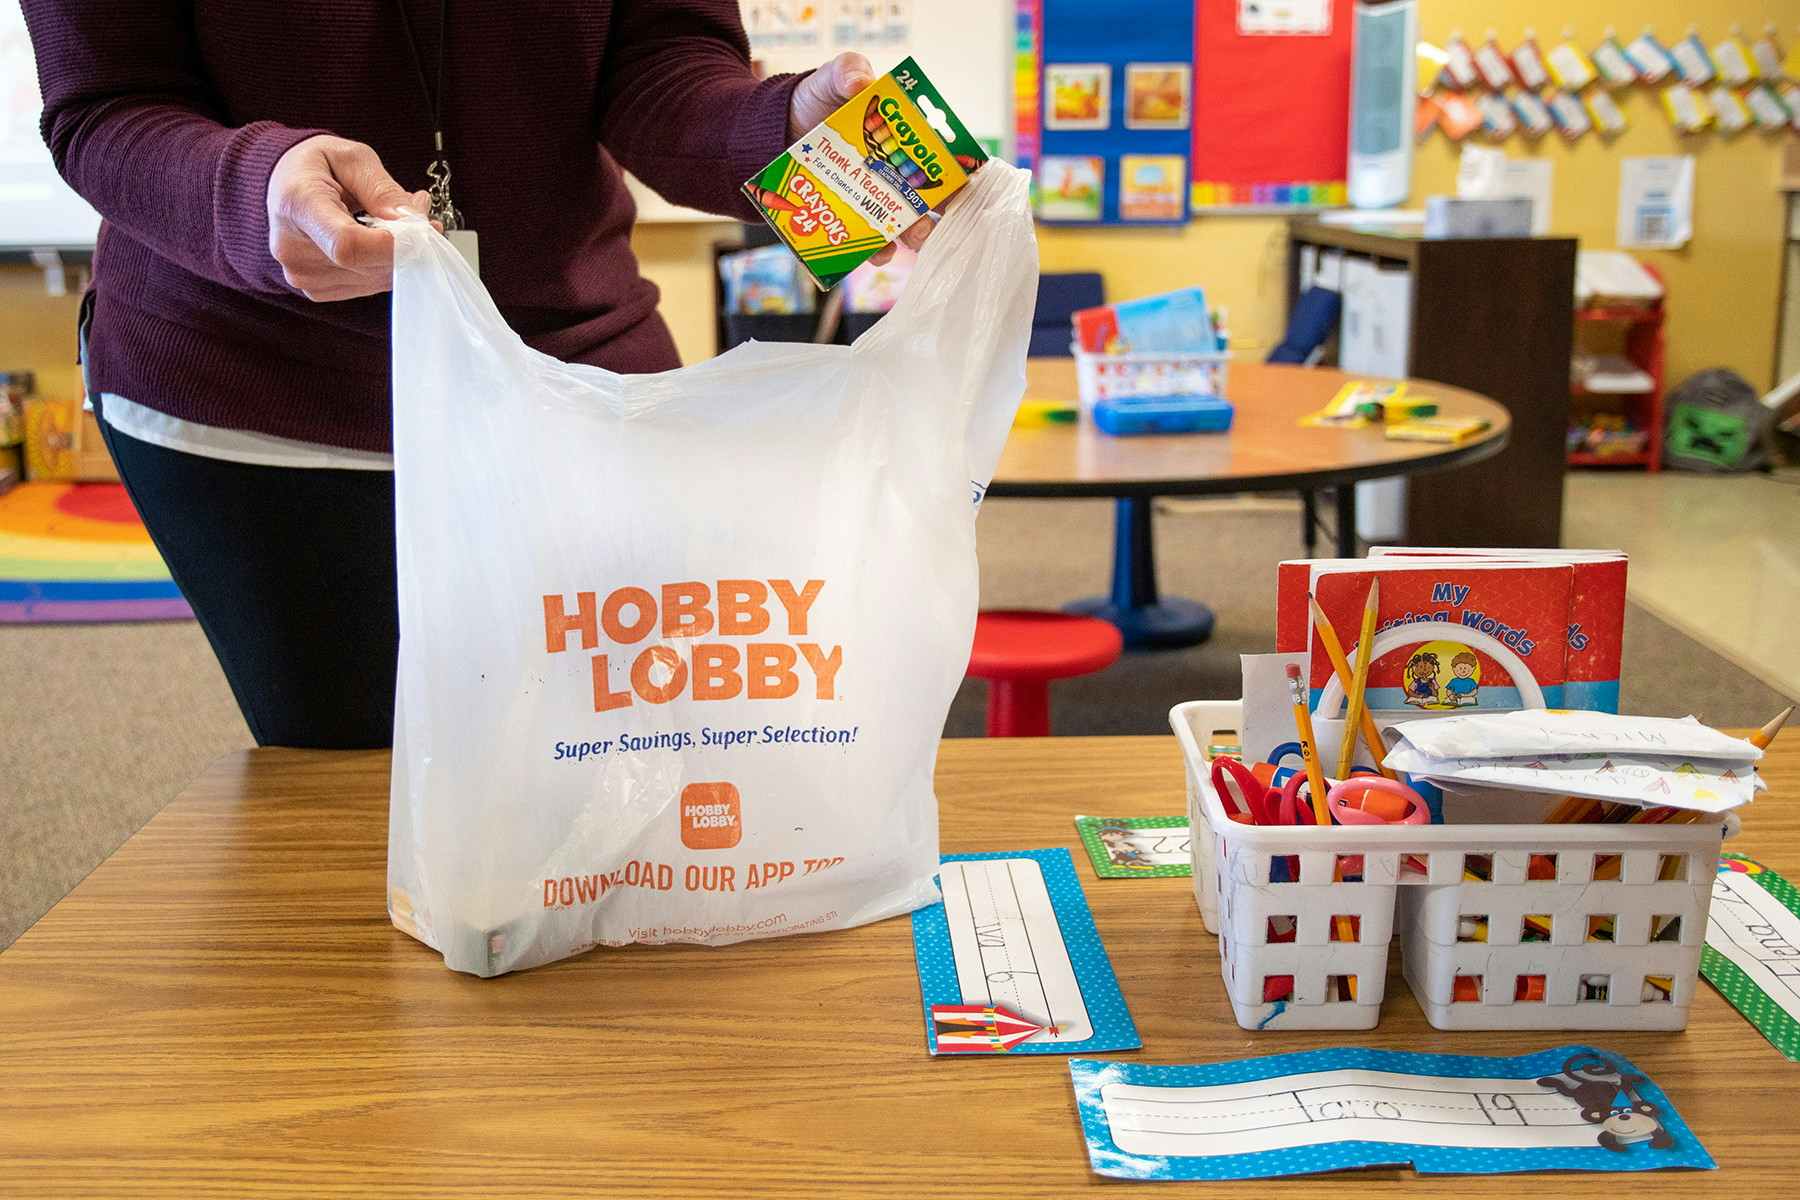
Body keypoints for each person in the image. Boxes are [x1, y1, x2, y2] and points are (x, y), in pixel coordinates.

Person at [24, 2, 928, 749]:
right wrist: (256, 187)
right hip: (263, 386)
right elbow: (105, 104)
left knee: (627, 756)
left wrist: (777, 125)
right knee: (361, 794)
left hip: (577, 368)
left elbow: (659, 57)